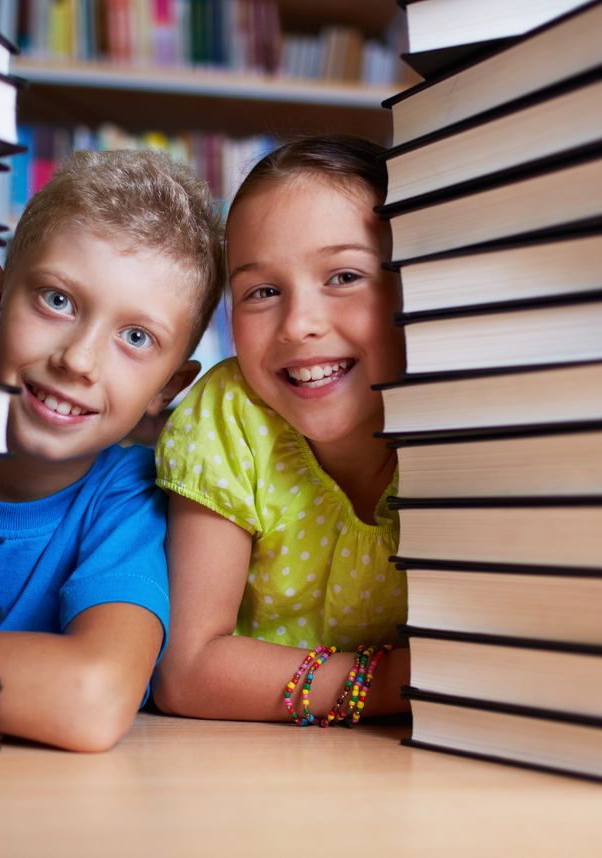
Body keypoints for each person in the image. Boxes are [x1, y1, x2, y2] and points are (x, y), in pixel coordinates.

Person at [152, 135, 409, 725]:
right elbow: (186, 672)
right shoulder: (228, 417)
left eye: (344, 276)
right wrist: (402, 680)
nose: (299, 325)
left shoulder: (477, 422)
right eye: (262, 292)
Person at [0, 149, 223, 751]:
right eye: (57, 300)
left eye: (136, 338)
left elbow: (91, 697)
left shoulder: (128, 496)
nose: (79, 360)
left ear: (168, 388)